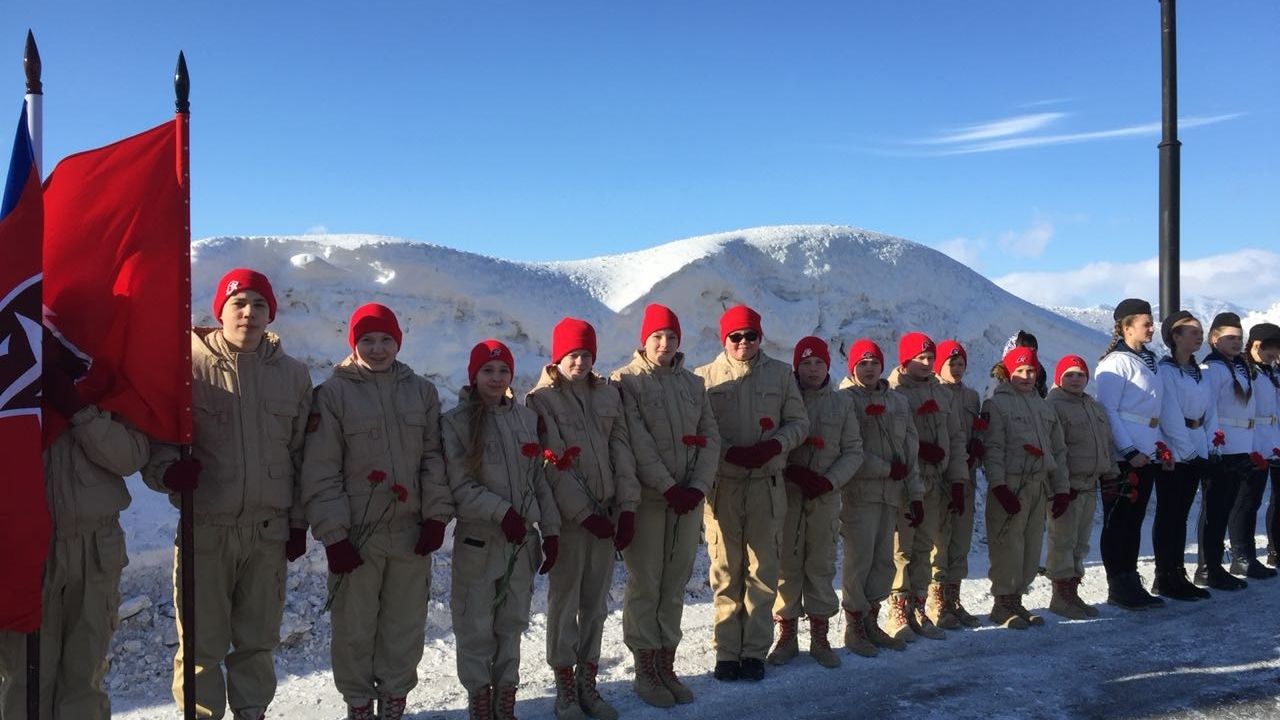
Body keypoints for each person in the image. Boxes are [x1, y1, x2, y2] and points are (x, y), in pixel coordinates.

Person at [143, 268, 313, 720]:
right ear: (220, 311)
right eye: (238, 303)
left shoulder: (293, 376)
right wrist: (167, 472)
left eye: (259, 304)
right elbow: (158, 442)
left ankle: (252, 712)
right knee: (202, 642)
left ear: (270, 313)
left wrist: (297, 524)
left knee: (257, 640)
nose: (249, 313)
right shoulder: (186, 367)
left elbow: (301, 455)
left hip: (267, 533)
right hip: (207, 530)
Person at [299, 304, 452, 720]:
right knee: (355, 628)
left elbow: (433, 457)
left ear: (398, 341)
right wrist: (334, 536)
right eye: (367, 340)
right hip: (357, 537)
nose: (378, 348)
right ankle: (359, 705)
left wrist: (436, 515)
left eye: (386, 339)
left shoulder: (421, 391)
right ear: (353, 343)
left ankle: (394, 704)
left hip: (409, 531)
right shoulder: (333, 394)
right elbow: (321, 469)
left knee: (404, 627)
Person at [0, 332, 149, 720]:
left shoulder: (103, 385)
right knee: (25, 677)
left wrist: (79, 410)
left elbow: (130, 456)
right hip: (25, 549)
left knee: (84, 674)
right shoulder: (9, 391)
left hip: (94, 547)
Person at [526, 318, 639, 720]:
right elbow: (550, 464)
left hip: (606, 516)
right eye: (573, 354)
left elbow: (621, 451)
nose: (580, 362)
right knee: (564, 603)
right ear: (558, 356)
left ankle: (587, 684)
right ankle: (564, 689)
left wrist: (626, 506)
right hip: (573, 522)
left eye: (587, 354)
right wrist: (583, 514)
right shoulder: (541, 401)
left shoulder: (608, 395)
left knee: (595, 604)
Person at [444, 339, 560, 720]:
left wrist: (551, 529)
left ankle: (505, 695)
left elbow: (538, 479)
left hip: (521, 542)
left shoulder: (525, 420)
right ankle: (480, 697)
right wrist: (503, 513)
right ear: (473, 375)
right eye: (487, 371)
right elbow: (460, 486)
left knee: (511, 623)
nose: (496, 378)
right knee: (475, 624)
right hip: (481, 542)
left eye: (503, 371)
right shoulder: (455, 423)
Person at [610, 304, 719, 707]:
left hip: (687, 499)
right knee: (646, 582)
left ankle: (666, 664)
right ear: (644, 339)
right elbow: (634, 439)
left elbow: (710, 436)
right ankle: (644, 668)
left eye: (671, 337)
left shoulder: (693, 384)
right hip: (650, 499)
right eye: (657, 336)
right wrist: (668, 485)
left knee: (674, 582)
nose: (665, 343)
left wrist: (698, 485)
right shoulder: (626, 381)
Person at [695, 305, 808, 682]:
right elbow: (699, 428)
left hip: (766, 485)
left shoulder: (780, 375)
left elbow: (799, 423)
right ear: (723, 339)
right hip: (723, 485)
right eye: (736, 336)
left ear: (761, 337)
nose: (744, 343)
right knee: (726, 571)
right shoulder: (703, 379)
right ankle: (728, 651)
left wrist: (774, 446)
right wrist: (727, 452)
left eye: (751, 336)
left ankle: (754, 651)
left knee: (762, 571)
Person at [766, 337, 863, 669]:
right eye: (805, 363)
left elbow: (853, 450)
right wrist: (790, 469)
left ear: (828, 366)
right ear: (796, 367)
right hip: (789, 494)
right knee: (786, 565)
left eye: (818, 363)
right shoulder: (784, 400)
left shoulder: (841, 404)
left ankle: (820, 637)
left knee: (820, 565)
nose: (812, 370)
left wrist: (828, 481)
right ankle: (786, 635)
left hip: (824, 496)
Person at [837, 339, 922, 656]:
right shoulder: (845, 401)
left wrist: (914, 494)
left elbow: (909, 450)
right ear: (853, 368)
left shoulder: (897, 402)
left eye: (874, 362)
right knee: (859, 560)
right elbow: (849, 449)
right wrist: (885, 468)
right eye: (863, 363)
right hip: (860, 493)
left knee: (884, 561)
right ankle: (854, 626)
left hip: (893, 494)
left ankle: (872, 619)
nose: (869, 369)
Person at [981, 346, 1068, 629]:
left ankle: (1017, 597)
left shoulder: (1043, 406)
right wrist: (999, 486)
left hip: (1037, 485)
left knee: (1030, 547)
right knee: (1008, 545)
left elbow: (1057, 449)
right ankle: (1002, 602)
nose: (1026, 376)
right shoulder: (997, 405)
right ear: (1008, 372)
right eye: (1019, 370)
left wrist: (1061, 488)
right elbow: (992, 448)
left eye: (1030, 370)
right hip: (1012, 485)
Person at [886, 333, 967, 638]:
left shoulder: (941, 392)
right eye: (919, 358)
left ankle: (919, 606)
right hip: (908, 479)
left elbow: (956, 437)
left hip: (936, 480)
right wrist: (920, 449)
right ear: (904, 360)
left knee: (925, 545)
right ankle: (897, 610)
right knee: (902, 548)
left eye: (931, 358)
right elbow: (893, 438)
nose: (926, 363)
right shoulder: (894, 391)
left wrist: (958, 479)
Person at [1094, 298, 1165, 609]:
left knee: (1134, 521)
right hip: (1126, 456)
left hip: (1146, 452)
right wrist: (1129, 449)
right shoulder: (1114, 363)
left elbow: (1154, 408)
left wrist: (1158, 446)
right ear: (1126, 328)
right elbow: (1108, 411)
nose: (1151, 328)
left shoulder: (1149, 359)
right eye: (1145, 323)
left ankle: (1130, 577)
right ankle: (1117, 583)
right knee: (1118, 520)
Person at [1044, 355, 1117, 618]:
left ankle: (1073, 591)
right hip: (1067, 487)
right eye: (1069, 375)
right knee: (1062, 539)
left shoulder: (1093, 406)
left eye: (1080, 375)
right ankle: (1060, 595)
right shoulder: (1054, 406)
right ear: (1058, 378)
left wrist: (1111, 475)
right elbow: (1055, 450)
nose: (1075, 379)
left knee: (1080, 542)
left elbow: (1106, 443)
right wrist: (1061, 487)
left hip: (1089, 485)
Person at [1151, 311, 1214, 601]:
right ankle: (1165, 576)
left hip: (1196, 446)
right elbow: (1170, 414)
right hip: (1176, 452)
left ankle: (1177, 573)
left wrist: (1209, 448)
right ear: (1175, 336)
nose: (1198, 335)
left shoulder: (1198, 371)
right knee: (1169, 514)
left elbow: (1207, 412)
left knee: (1181, 516)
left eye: (1200, 331)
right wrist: (1188, 452)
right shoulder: (1166, 371)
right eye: (1192, 331)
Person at [1195, 312, 1255, 591]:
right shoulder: (1212, 369)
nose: (1236, 342)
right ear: (1214, 339)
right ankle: (1207, 567)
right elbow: (1210, 410)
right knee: (1214, 508)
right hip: (1222, 446)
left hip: (1239, 445)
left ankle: (1216, 565)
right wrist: (1214, 447)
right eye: (1230, 337)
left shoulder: (1239, 367)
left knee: (1226, 507)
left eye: (1239, 338)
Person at [932, 339, 983, 627]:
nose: (957, 368)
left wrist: (979, 443)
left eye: (961, 363)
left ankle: (953, 599)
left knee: (960, 539)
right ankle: (937, 601)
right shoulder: (933, 393)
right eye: (951, 363)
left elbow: (976, 430)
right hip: (940, 478)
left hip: (967, 475)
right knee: (940, 540)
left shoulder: (971, 397)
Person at [1227, 322, 1280, 579]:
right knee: (1245, 500)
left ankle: (1248, 555)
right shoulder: (1247, 370)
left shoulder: (1268, 372)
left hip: (1267, 440)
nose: (1275, 355)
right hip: (1250, 440)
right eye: (1272, 349)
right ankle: (1241, 555)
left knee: (1255, 499)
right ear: (1257, 345)